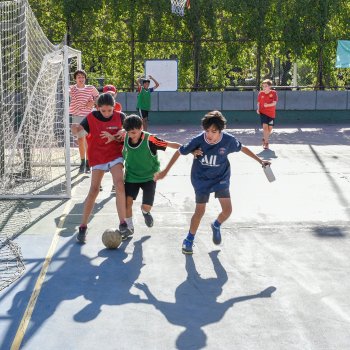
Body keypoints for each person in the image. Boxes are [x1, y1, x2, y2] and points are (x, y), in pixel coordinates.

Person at [154, 111, 270, 255]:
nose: (209, 134)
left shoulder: (228, 140)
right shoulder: (198, 140)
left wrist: (260, 161)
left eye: (213, 131)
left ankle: (216, 225)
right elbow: (179, 151)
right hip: (201, 179)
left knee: (227, 210)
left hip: (221, 177)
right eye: (207, 130)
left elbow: (243, 148)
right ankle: (189, 239)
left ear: (220, 130)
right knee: (200, 211)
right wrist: (165, 171)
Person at [71, 93, 132, 243]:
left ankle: (123, 223)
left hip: (115, 155)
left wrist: (124, 131)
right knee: (94, 190)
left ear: (114, 106)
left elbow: (134, 129)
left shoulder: (121, 116)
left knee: (119, 184)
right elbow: (80, 133)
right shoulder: (91, 118)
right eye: (103, 110)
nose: (106, 113)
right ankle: (83, 226)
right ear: (97, 108)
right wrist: (75, 130)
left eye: (109, 110)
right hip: (97, 156)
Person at [122, 115, 181, 233]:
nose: (131, 135)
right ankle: (129, 227)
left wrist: (189, 149)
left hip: (150, 176)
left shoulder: (150, 140)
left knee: (146, 206)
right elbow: (124, 151)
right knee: (127, 202)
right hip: (131, 176)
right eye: (129, 133)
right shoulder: (126, 137)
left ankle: (145, 212)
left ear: (141, 128)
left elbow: (170, 144)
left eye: (134, 132)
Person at [69, 69, 99, 173]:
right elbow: (65, 92)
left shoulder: (90, 88)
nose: (81, 79)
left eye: (82, 77)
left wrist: (94, 102)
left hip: (88, 117)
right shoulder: (72, 89)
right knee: (80, 140)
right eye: (79, 77)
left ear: (85, 78)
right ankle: (82, 162)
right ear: (75, 79)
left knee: (88, 140)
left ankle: (88, 162)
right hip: (77, 116)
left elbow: (98, 97)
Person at [256, 79, 278, 149]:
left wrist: (268, 105)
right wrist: (258, 109)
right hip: (263, 113)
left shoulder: (274, 93)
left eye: (266, 86)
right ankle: (266, 143)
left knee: (269, 129)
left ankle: (264, 138)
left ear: (269, 86)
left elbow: (274, 103)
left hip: (271, 114)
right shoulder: (260, 93)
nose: (264, 87)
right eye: (263, 86)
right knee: (265, 128)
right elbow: (258, 103)